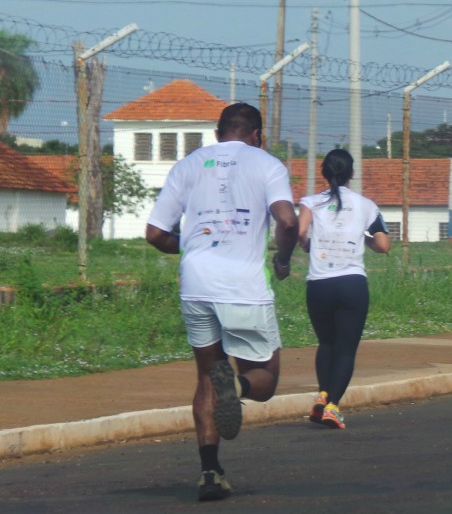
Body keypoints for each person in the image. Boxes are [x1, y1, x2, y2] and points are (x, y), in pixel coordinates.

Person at [145, 103, 298, 501]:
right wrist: (282, 259)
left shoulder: (187, 165)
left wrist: (194, 246)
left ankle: (210, 473)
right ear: (256, 135)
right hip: (243, 285)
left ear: (217, 134)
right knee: (264, 379)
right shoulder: (267, 164)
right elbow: (287, 220)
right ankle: (237, 384)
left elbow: (155, 234)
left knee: (205, 377)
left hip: (195, 283)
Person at [298, 149, 390, 429]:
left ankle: (323, 393)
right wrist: (364, 240)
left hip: (319, 284)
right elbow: (383, 245)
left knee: (326, 342)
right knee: (346, 349)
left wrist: (309, 247)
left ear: (323, 171)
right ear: (352, 174)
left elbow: (300, 233)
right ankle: (332, 406)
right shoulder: (366, 205)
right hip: (352, 284)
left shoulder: (310, 202)